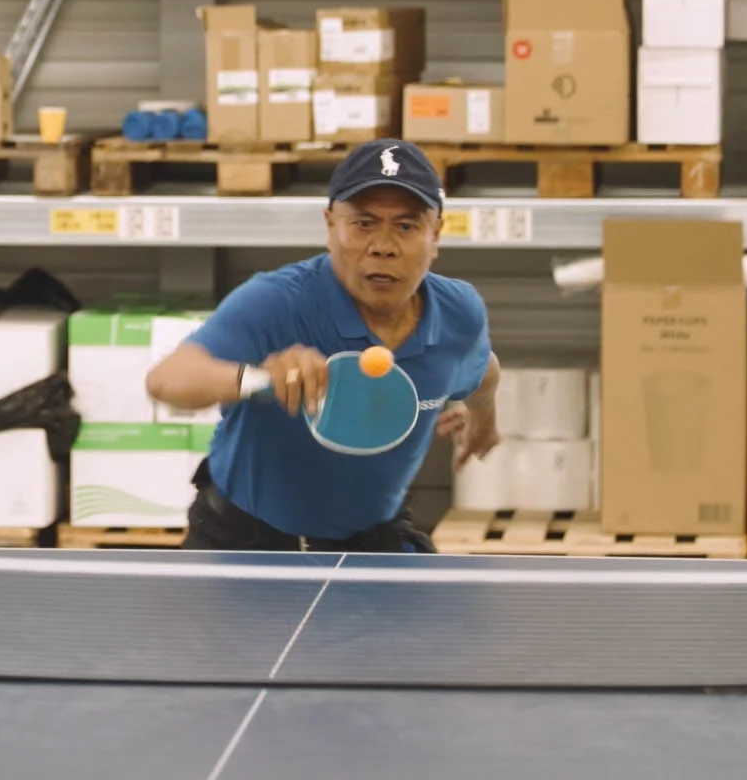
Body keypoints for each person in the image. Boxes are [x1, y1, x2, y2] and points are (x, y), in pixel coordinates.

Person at [146, 139, 501, 553]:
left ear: (436, 234)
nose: (383, 246)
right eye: (364, 223)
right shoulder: (278, 301)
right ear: (330, 225)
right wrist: (259, 378)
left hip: (370, 538)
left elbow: (483, 370)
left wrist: (483, 417)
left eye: (406, 226)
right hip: (244, 540)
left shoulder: (459, 315)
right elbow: (168, 379)